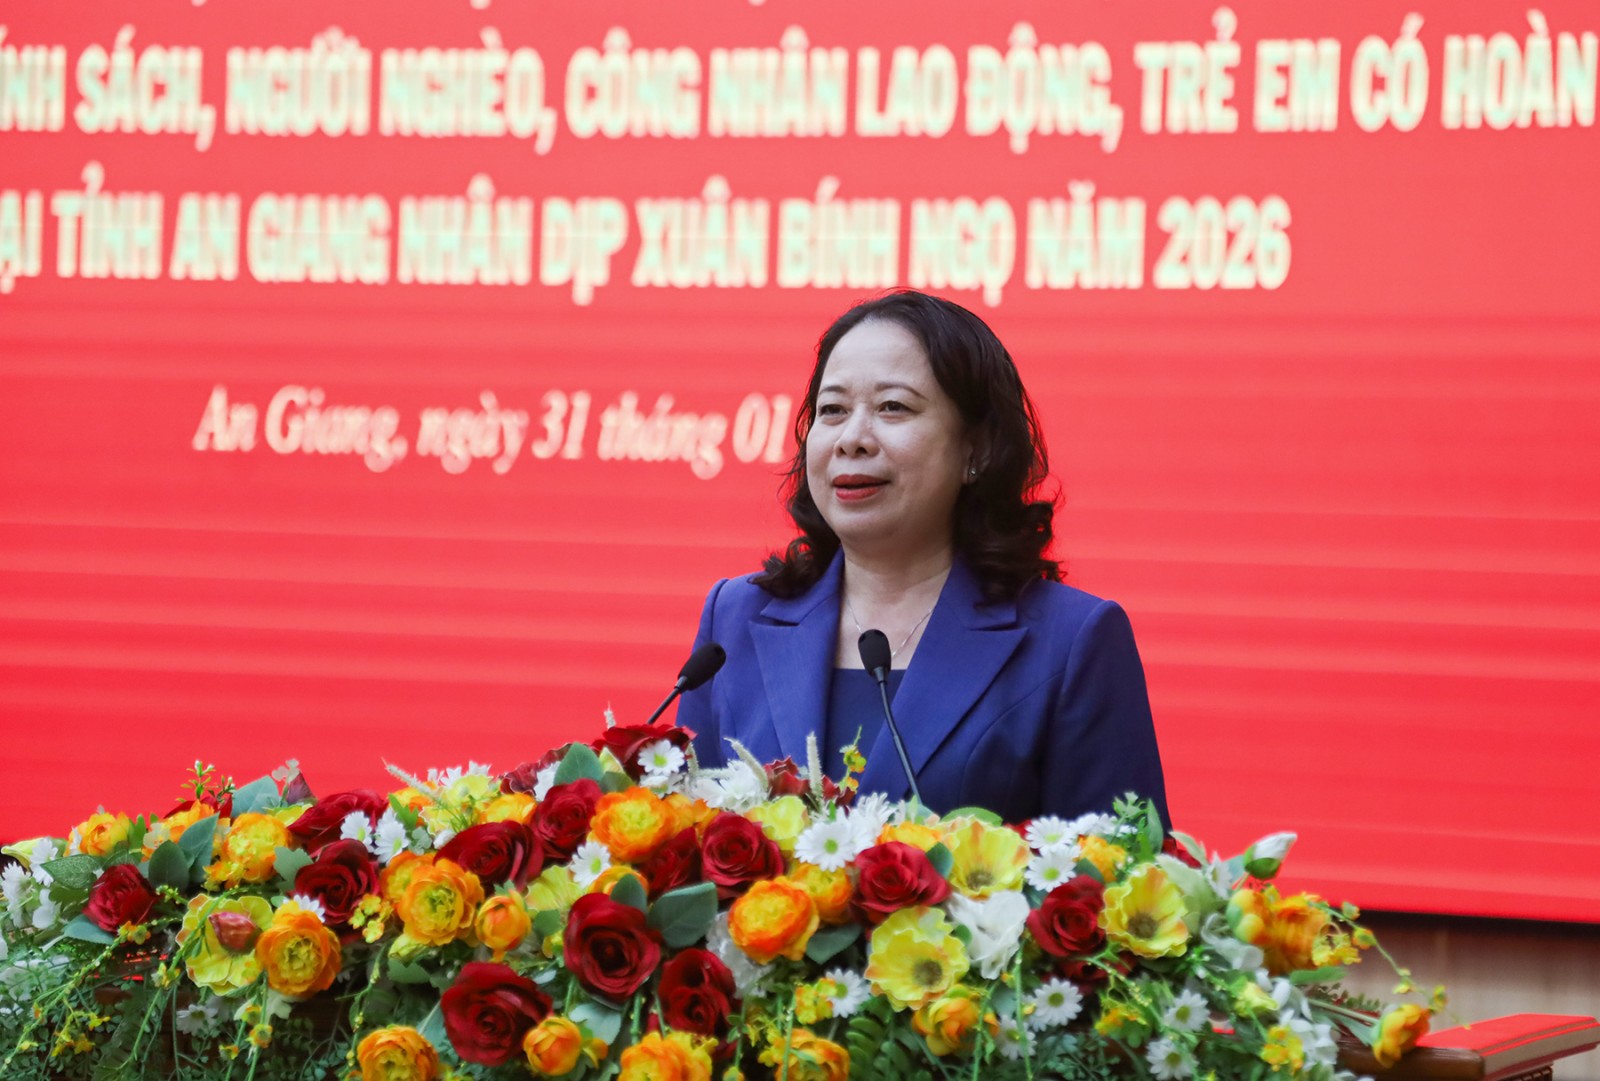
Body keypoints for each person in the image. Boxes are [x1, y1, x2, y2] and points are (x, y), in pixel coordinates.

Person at [675, 291, 1169, 826]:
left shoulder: (1072, 643)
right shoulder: (734, 618)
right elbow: (682, 839)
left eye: (893, 407)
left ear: (977, 449)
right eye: (832, 410)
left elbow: (1126, 865)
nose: (852, 439)